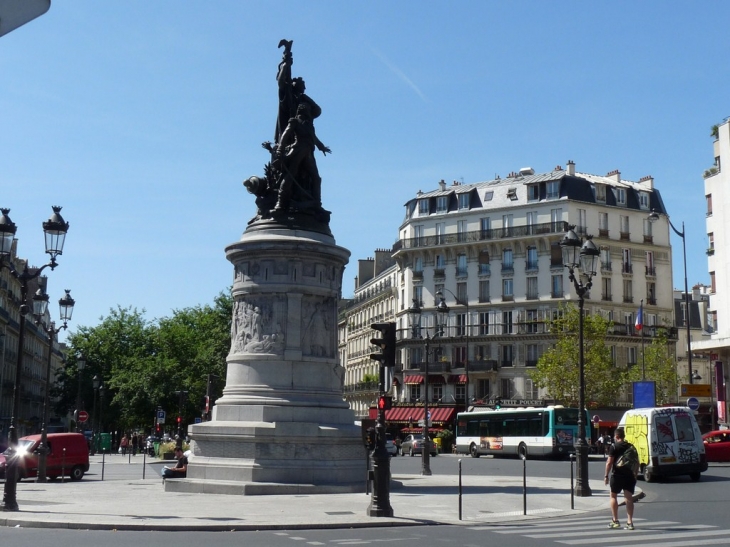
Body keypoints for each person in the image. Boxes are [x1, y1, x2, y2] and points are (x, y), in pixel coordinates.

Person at [605, 427, 636, 530]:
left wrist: (606, 475)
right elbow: (637, 462)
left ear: (617, 436)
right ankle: (630, 522)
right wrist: (634, 474)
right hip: (629, 476)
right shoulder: (631, 446)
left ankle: (615, 520)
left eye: (614, 436)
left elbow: (609, 462)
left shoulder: (614, 446)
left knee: (613, 496)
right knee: (629, 499)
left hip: (617, 475)